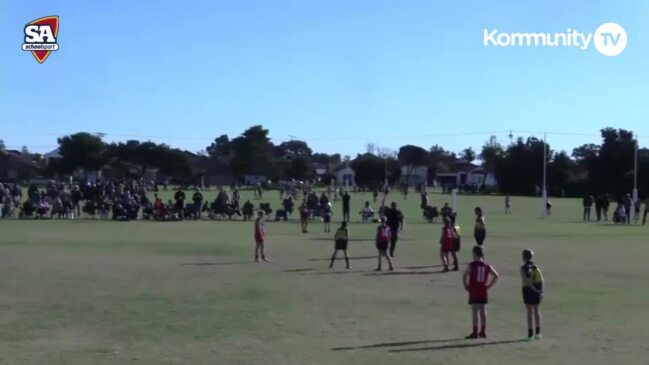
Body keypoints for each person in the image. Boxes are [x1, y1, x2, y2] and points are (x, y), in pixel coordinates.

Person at [463, 245, 499, 339]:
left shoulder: (472, 265)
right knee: (483, 311)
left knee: (475, 311)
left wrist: (465, 285)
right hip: (483, 290)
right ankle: (483, 331)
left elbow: (465, 275)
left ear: (475, 254)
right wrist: (489, 285)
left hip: (474, 290)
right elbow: (496, 276)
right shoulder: (487, 266)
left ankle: (475, 332)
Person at [521, 249, 544, 341]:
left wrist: (533, 288)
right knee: (536, 310)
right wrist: (541, 291)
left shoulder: (523, 268)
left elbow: (526, 280)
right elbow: (542, 280)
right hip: (537, 288)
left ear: (523, 257)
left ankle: (530, 334)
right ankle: (538, 333)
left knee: (529, 312)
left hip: (527, 290)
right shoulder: (536, 267)